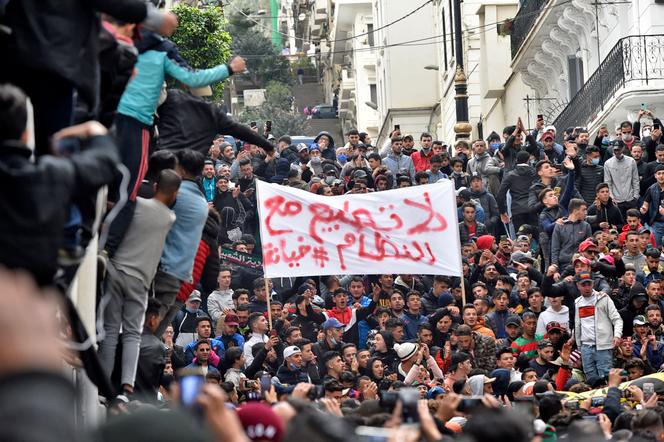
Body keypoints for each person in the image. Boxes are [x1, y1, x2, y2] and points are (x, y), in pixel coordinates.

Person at [97, 169, 179, 395]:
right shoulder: (169, 218)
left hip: (116, 271)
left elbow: (118, 211)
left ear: (155, 187)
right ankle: (127, 385)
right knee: (133, 334)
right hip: (140, 281)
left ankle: (102, 384)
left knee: (110, 331)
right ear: (175, 193)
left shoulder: (136, 206)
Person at [573, 271, 623, 378]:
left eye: (589, 284)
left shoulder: (603, 298)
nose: (587, 287)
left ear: (593, 283)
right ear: (578, 286)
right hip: (585, 347)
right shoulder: (577, 302)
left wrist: (617, 335)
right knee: (590, 378)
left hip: (603, 347)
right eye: (583, 285)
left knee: (605, 378)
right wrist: (579, 346)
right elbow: (578, 325)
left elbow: (617, 319)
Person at [604, 140, 640, 219]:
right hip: (617, 201)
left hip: (630, 199)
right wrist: (612, 197)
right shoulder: (608, 163)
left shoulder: (631, 161)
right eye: (615, 150)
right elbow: (607, 182)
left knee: (633, 222)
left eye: (618, 149)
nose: (617, 152)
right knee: (620, 224)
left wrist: (635, 196)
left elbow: (635, 180)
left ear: (623, 148)